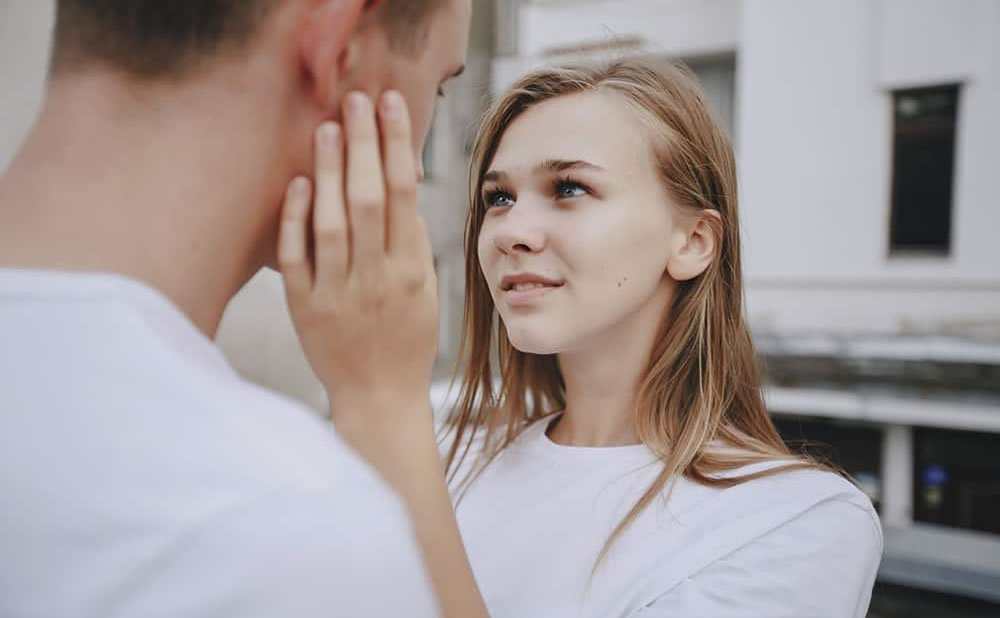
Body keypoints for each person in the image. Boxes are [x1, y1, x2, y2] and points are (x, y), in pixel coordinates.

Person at [283, 59, 883, 617]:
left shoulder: (797, 522)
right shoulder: (444, 460)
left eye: (569, 188)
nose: (511, 231)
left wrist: (383, 407)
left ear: (693, 241)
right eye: (498, 198)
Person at [0, 1, 470, 616]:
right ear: (341, 46)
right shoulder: (285, 528)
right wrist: (384, 406)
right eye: (436, 82)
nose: (415, 159)